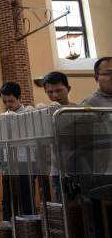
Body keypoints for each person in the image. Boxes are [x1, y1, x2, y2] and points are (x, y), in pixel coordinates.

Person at [0, 82, 34, 221]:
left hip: (26, 162)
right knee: (7, 200)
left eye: (11, 101)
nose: (8, 104)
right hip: (9, 163)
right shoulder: (3, 116)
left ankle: (29, 234)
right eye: (5, 101)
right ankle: (9, 232)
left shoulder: (29, 113)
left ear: (19, 98)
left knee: (25, 199)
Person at [41, 72, 73, 202]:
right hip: (58, 171)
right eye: (50, 92)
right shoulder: (45, 113)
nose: (54, 95)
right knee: (66, 211)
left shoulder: (79, 109)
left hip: (81, 169)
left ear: (68, 89)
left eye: (58, 90)